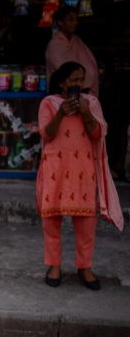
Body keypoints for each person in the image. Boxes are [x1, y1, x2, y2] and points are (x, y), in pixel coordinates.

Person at [37, 62, 123, 291]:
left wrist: (85, 111)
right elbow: (46, 134)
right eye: (73, 80)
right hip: (55, 167)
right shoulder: (49, 103)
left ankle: (85, 267)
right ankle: (54, 265)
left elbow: (97, 134)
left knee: (86, 222)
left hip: (83, 169)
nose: (78, 84)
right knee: (51, 219)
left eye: (81, 80)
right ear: (62, 83)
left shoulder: (92, 103)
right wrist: (61, 112)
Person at [45, 6, 99, 99]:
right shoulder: (54, 45)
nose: (75, 23)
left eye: (76, 19)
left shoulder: (77, 41)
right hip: (62, 94)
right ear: (60, 22)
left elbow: (90, 64)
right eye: (70, 19)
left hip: (84, 92)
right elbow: (64, 71)